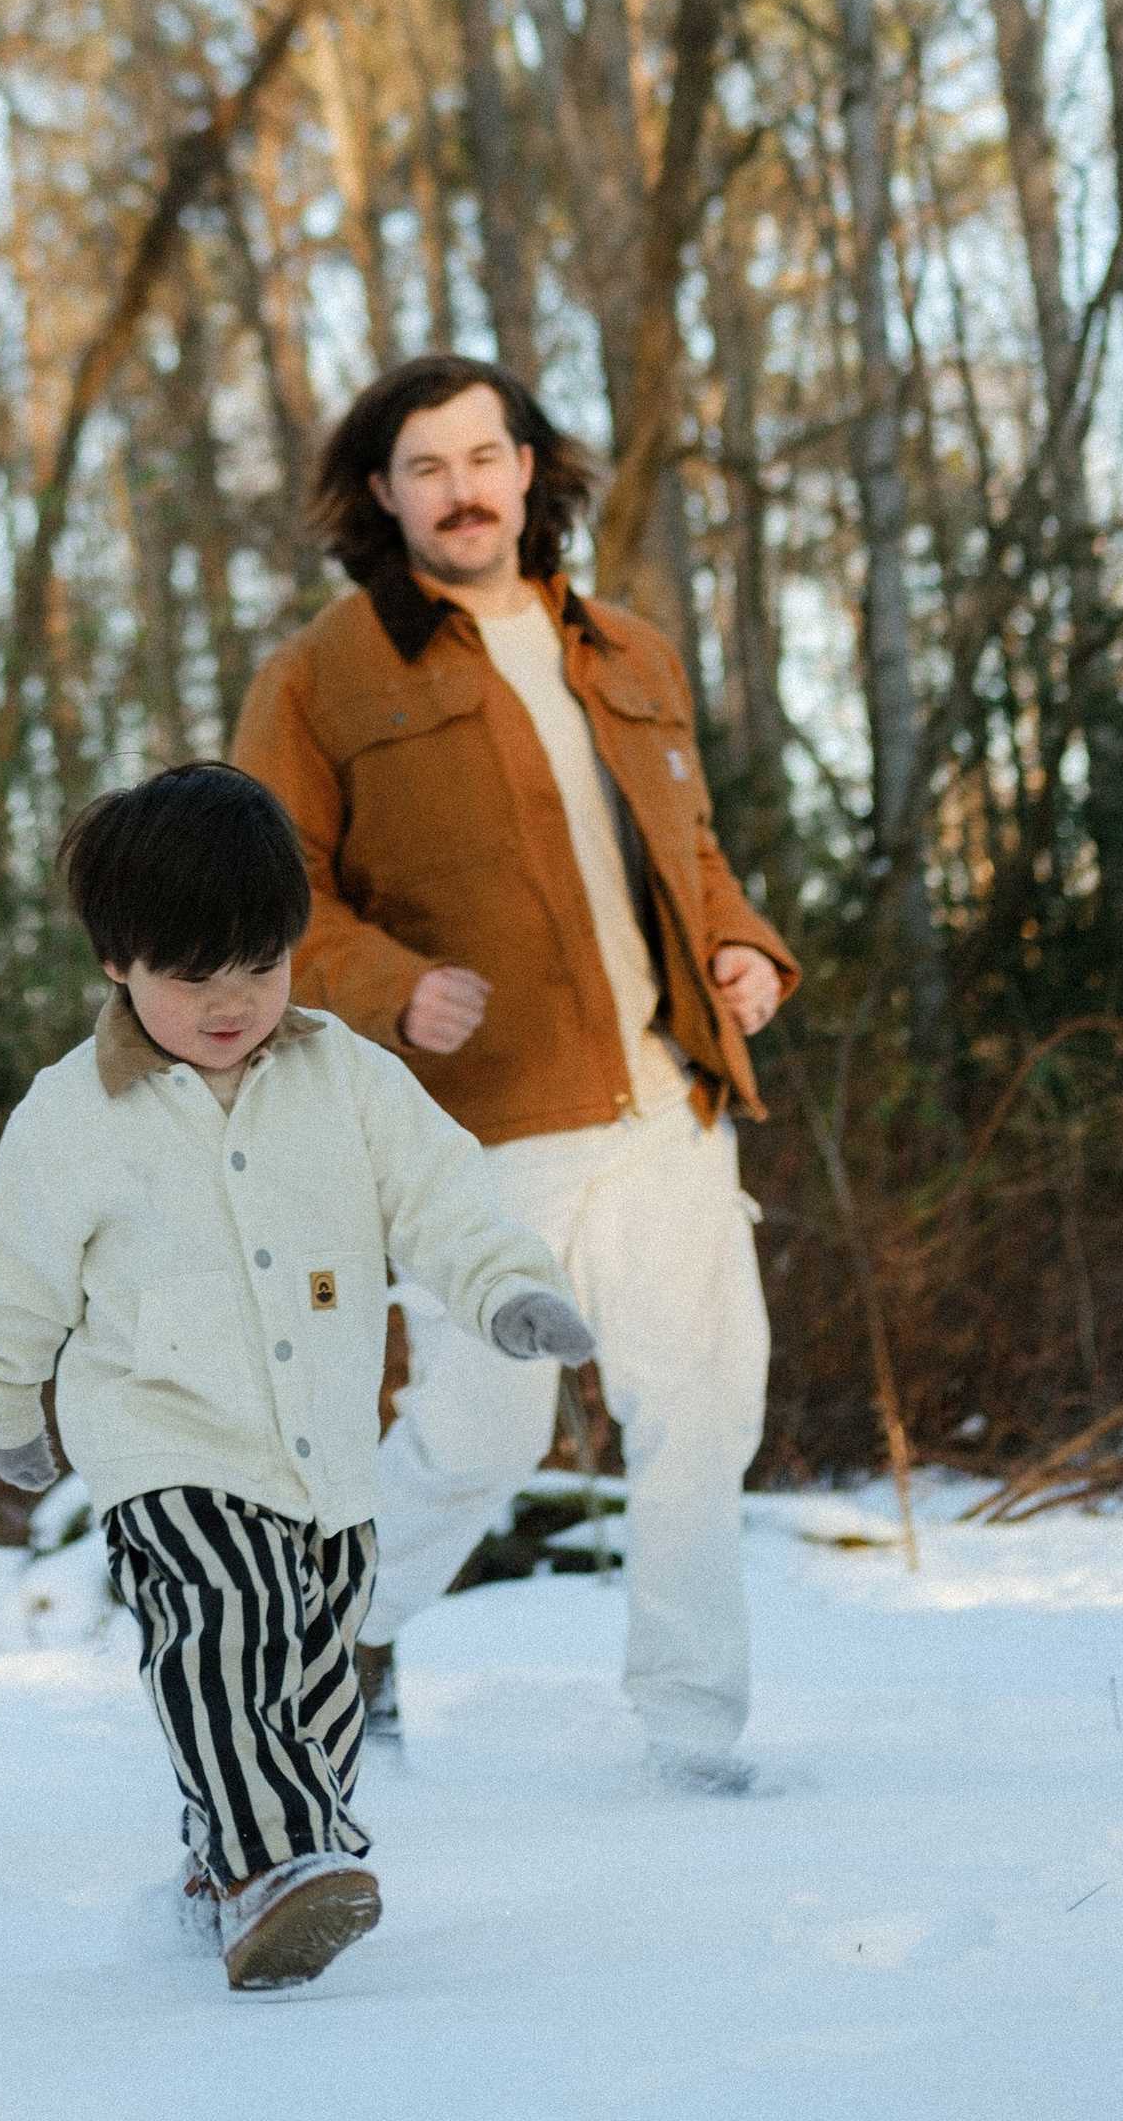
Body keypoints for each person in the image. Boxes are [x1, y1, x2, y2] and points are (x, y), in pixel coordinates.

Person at [231, 352, 797, 1794]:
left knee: (700, 1417)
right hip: (478, 1125)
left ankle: (692, 1737)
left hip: (671, 1098)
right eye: (425, 468)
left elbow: (695, 852)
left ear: (530, 469)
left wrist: (744, 950)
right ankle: (330, 1646)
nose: (460, 490)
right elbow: (266, 891)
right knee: (486, 1431)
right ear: (381, 495)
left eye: (483, 458)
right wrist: (392, 985)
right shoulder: (320, 676)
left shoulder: (628, 650)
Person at [0, 763, 592, 1992]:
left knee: (313, 1689)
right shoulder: (69, 1115)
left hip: (324, 1463)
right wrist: (0, 1409)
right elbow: (11, 1282)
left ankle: (227, 1877)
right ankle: (272, 1863)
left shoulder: (347, 1077)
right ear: (117, 963)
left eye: (259, 964)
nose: (232, 1000)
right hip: (166, 1451)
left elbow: (444, 1197)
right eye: (195, 976)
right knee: (220, 1629)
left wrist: (506, 1290)